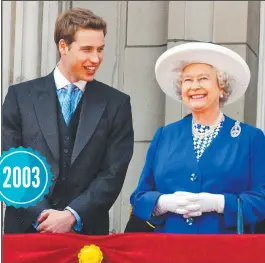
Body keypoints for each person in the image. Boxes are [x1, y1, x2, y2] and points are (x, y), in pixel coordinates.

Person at [3, 8, 134, 235]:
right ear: (63, 47)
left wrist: (72, 215)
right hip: (26, 232)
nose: (96, 59)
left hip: (86, 233)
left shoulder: (117, 104)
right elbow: (11, 166)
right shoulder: (20, 97)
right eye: (87, 49)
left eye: (100, 49)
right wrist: (45, 218)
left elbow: (113, 172)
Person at [129, 42, 265, 234]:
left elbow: (262, 199)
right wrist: (164, 203)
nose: (194, 87)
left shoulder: (250, 138)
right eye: (187, 80)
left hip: (224, 249)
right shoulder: (164, 135)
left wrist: (219, 203)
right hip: (170, 249)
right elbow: (139, 197)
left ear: (222, 87)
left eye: (203, 78)